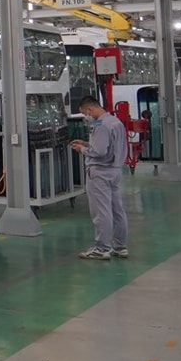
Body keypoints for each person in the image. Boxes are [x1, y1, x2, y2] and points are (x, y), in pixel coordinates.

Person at [70, 95, 129, 261]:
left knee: (101, 211)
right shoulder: (115, 122)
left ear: (90, 109)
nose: (85, 117)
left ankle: (102, 248)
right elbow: (108, 147)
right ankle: (120, 246)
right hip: (115, 170)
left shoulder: (101, 125)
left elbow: (100, 152)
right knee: (117, 209)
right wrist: (86, 143)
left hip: (100, 173)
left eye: (84, 113)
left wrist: (82, 150)